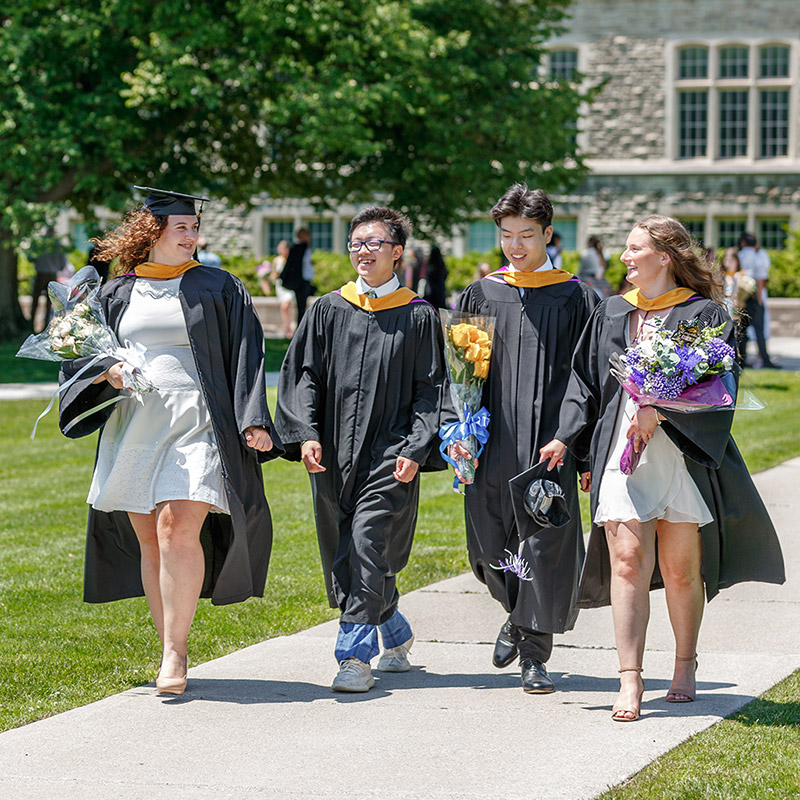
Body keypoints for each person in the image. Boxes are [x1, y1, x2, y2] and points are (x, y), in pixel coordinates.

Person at [541, 215, 785, 722]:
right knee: (627, 561)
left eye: (635, 249)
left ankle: (683, 662)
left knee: (679, 569)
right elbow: (583, 384)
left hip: (679, 454)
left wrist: (660, 406)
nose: (625, 257)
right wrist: (566, 438)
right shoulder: (611, 313)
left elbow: (720, 387)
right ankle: (629, 678)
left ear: (665, 256)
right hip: (621, 455)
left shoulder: (703, 314)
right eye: (626, 250)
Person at [58, 187, 282, 696]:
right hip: (136, 423)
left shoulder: (217, 285)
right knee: (149, 540)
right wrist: (106, 370)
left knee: (175, 528)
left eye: (194, 228)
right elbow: (80, 347)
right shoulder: (118, 291)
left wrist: (253, 418)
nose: (192, 236)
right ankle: (167, 644)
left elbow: (248, 353)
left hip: (199, 419)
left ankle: (176, 653)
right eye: (182, 228)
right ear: (152, 231)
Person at [276, 206, 446, 693]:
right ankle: (394, 629)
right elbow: (302, 376)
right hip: (332, 453)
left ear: (397, 252)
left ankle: (354, 656)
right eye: (356, 243)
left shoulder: (417, 316)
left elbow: (430, 389)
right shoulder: (329, 309)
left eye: (373, 243)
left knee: (369, 539)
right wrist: (306, 433)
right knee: (347, 551)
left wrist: (417, 446)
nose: (362, 250)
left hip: (391, 454)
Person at [445, 184, 599, 694]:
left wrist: (574, 442)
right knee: (488, 546)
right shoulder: (482, 292)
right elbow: (464, 373)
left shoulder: (575, 297)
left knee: (543, 546)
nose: (515, 246)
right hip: (491, 443)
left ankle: (535, 654)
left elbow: (588, 377)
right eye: (507, 235)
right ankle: (513, 612)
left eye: (526, 235)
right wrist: (460, 432)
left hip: (548, 446)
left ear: (549, 234)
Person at [738, 233, 778, 368]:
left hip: (741, 298)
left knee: (742, 331)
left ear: (743, 243)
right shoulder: (758, 256)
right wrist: (760, 301)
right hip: (755, 298)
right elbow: (761, 280)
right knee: (759, 331)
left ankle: (742, 360)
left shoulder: (739, 255)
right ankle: (764, 359)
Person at [719, 247, 753, 367]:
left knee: (740, 340)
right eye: (727, 260)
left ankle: (740, 364)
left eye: (732, 260)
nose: (729, 263)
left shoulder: (742, 277)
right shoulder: (721, 277)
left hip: (737, 315)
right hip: (724, 313)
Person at [30, 227, 69, 331]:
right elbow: (62, 264)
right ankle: (45, 326)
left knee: (35, 300)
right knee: (49, 302)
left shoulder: (39, 243)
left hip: (40, 274)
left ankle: (31, 324)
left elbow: (30, 258)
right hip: (52, 275)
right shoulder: (58, 245)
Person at [280, 228, 314, 326]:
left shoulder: (305, 248)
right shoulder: (298, 247)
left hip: (305, 280)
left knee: (303, 306)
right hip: (300, 282)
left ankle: (302, 327)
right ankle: (301, 328)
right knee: (301, 307)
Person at [267, 240, 294, 338]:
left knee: (286, 305)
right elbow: (274, 273)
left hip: (289, 285)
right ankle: (287, 328)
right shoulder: (277, 260)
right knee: (285, 306)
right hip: (280, 285)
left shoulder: (291, 260)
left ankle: (289, 327)